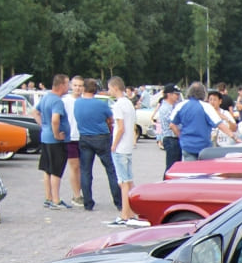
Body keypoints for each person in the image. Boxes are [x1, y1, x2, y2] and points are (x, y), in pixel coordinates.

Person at [74, 78, 120, 213]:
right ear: (95, 90)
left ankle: (88, 202)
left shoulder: (78, 103)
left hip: (84, 137)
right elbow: (110, 119)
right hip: (101, 137)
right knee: (110, 169)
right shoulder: (101, 104)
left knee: (86, 171)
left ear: (84, 89)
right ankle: (118, 201)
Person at [106, 76, 147, 227]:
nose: (109, 90)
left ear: (115, 88)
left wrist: (113, 144)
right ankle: (131, 212)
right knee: (129, 180)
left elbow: (120, 127)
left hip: (121, 147)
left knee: (123, 181)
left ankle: (125, 214)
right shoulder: (129, 103)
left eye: (110, 88)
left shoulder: (118, 105)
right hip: (128, 146)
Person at [171, 82, 238, 161]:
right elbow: (220, 125)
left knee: (190, 171)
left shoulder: (180, 105)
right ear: (203, 94)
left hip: (187, 145)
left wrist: (181, 136)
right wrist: (234, 137)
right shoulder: (206, 107)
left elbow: (172, 125)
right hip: (204, 146)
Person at [34, 74, 72, 208]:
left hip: (45, 137)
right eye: (68, 84)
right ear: (61, 85)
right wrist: (56, 134)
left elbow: (35, 112)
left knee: (47, 169)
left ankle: (48, 197)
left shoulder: (46, 97)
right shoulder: (57, 101)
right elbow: (55, 119)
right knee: (56, 170)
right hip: (55, 142)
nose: (69, 87)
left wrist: (43, 126)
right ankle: (56, 200)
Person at [62, 75, 85, 205]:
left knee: (84, 167)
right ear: (71, 86)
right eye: (75, 85)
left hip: (83, 137)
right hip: (70, 137)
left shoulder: (85, 100)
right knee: (74, 166)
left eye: (80, 85)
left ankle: (82, 192)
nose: (78, 88)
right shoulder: (65, 101)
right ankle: (76, 195)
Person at [155, 84, 182, 174]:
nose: (178, 96)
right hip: (171, 139)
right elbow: (173, 125)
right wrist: (181, 137)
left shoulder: (173, 106)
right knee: (171, 167)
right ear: (169, 94)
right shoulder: (166, 108)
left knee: (176, 167)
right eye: (176, 94)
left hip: (173, 139)